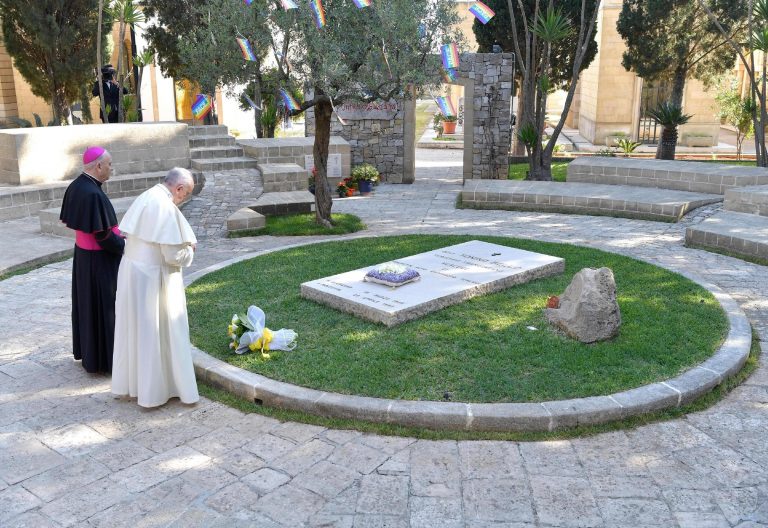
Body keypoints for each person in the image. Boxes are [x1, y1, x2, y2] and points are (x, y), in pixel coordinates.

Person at [111, 168, 199, 408]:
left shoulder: (147, 196)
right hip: (153, 278)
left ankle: (135, 385)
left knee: (136, 330)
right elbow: (172, 255)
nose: (183, 199)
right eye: (185, 194)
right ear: (179, 188)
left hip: (133, 273)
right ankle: (156, 392)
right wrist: (190, 250)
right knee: (154, 332)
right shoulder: (165, 207)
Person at [59, 147, 125, 374]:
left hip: (84, 258)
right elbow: (104, 236)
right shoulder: (93, 194)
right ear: (98, 166)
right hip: (99, 261)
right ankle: (105, 360)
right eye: (109, 164)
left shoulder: (76, 186)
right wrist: (124, 246)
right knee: (104, 308)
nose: (111, 168)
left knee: (87, 307)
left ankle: (90, 355)